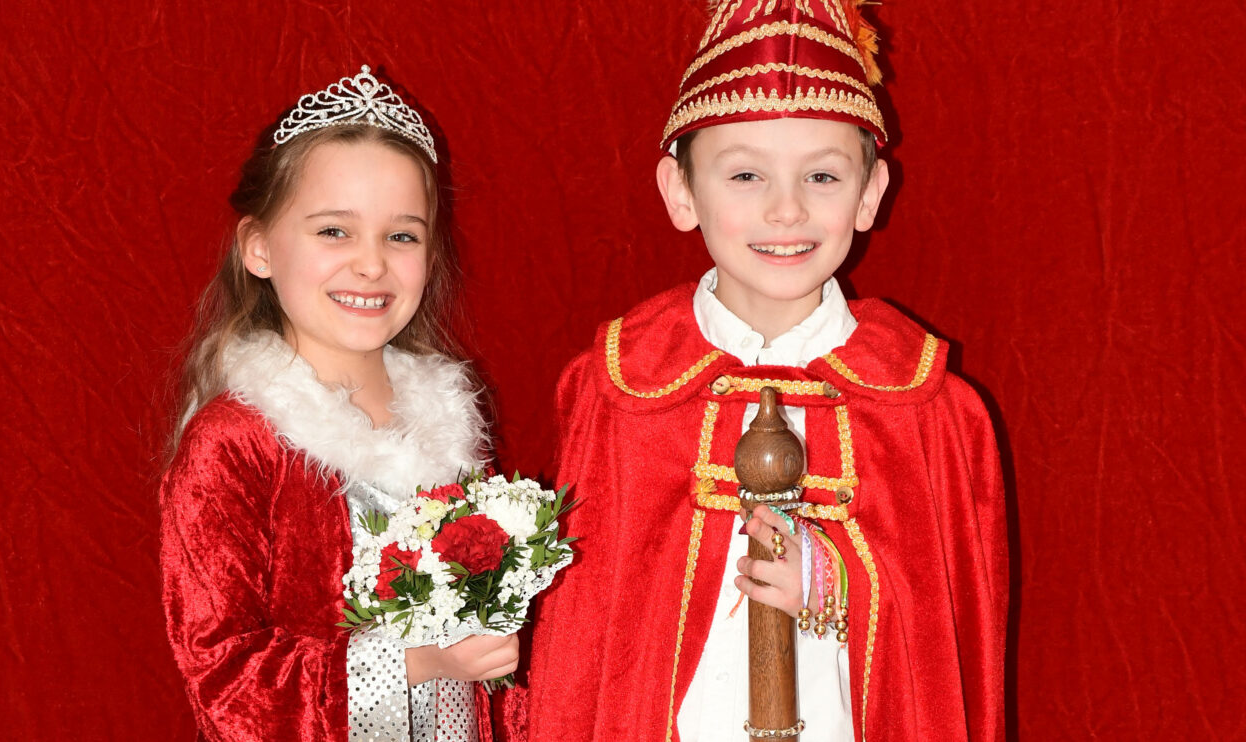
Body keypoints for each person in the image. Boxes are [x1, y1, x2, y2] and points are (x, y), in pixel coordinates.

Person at [513, 2, 1007, 741]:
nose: (786, 210)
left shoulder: (929, 406)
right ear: (681, 193)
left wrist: (831, 578)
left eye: (822, 176)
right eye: (746, 174)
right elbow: (585, 639)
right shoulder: (618, 388)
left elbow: (949, 638)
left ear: (870, 195)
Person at [159, 65, 516, 741]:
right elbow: (224, 676)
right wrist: (416, 663)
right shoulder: (235, 443)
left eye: (401, 236)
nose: (371, 264)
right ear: (259, 248)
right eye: (334, 232)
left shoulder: (454, 433)